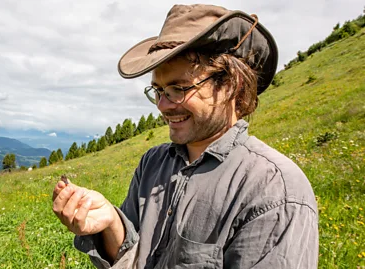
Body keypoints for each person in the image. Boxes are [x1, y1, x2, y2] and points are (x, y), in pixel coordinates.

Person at [52, 4, 318, 269]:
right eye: (158, 90)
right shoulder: (153, 163)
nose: (163, 105)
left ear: (230, 85)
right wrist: (111, 223)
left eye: (178, 89)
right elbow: (132, 255)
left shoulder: (274, 190)